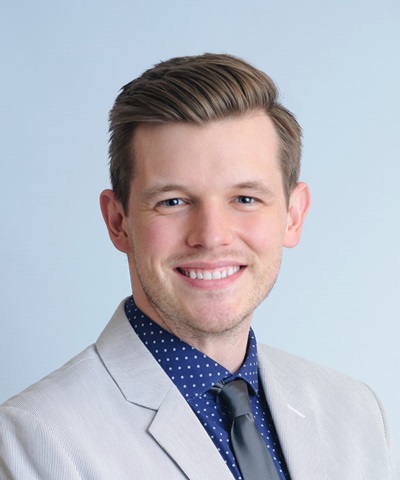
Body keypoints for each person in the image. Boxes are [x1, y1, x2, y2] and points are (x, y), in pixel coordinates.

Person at [0, 53, 398, 480]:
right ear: (119, 223)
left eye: (245, 199)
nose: (211, 235)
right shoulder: (36, 437)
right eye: (173, 201)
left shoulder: (356, 412)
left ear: (293, 215)